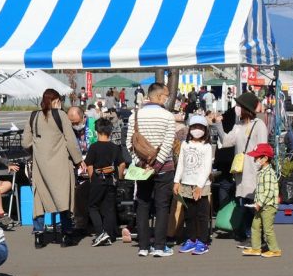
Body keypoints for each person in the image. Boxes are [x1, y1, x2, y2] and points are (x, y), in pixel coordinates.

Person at [23, 89, 84, 248]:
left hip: (40, 166)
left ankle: (39, 236)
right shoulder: (61, 115)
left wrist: (38, 150)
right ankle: (66, 235)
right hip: (61, 164)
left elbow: (25, 143)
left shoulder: (33, 116)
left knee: (39, 200)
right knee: (63, 198)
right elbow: (71, 141)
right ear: (56, 101)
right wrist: (78, 161)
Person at [129, 83, 178, 257]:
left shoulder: (135, 115)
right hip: (164, 168)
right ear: (158, 96)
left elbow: (130, 143)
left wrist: (142, 163)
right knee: (162, 206)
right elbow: (168, 143)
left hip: (142, 168)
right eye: (166, 95)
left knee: (142, 204)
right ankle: (159, 246)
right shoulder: (168, 116)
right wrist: (157, 164)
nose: (167, 98)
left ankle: (143, 246)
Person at [214, 91, 268, 248]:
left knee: (254, 204)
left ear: (247, 108)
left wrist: (261, 169)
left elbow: (263, 149)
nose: (237, 108)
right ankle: (248, 235)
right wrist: (218, 125)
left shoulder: (259, 125)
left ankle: (258, 238)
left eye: (239, 106)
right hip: (241, 171)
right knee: (245, 203)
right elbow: (226, 141)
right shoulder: (238, 126)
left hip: (254, 170)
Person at [174, 115, 214, 255]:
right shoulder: (185, 144)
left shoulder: (207, 146)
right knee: (189, 214)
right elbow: (181, 163)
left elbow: (207, 168)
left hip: (202, 185)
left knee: (202, 214)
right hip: (186, 183)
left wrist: (199, 186)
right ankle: (191, 239)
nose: (197, 130)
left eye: (200, 127)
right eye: (194, 127)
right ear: (189, 128)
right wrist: (176, 181)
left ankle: (202, 241)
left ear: (205, 130)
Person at [85, 117, 127, 247]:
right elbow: (122, 164)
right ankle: (109, 234)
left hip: (98, 179)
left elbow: (89, 165)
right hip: (111, 179)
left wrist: (92, 179)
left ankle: (100, 233)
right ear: (110, 131)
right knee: (109, 208)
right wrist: (119, 177)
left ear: (97, 131)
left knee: (92, 206)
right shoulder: (115, 147)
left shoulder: (94, 147)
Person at [241, 143, 281, 258]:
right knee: (255, 226)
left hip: (268, 206)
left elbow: (268, 191)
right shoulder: (262, 171)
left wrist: (259, 203)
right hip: (261, 205)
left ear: (265, 158)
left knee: (268, 229)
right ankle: (256, 248)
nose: (255, 160)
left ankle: (275, 250)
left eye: (257, 157)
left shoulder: (269, 173)